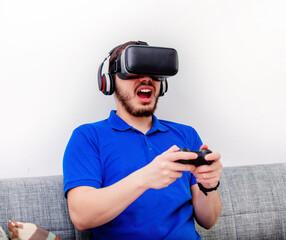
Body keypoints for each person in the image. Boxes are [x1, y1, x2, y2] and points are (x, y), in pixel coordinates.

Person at [63, 41, 222, 240]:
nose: (146, 80)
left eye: (153, 73)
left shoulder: (186, 134)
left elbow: (209, 221)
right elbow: (81, 216)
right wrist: (146, 178)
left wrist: (209, 185)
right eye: (134, 71)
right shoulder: (87, 137)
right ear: (109, 81)